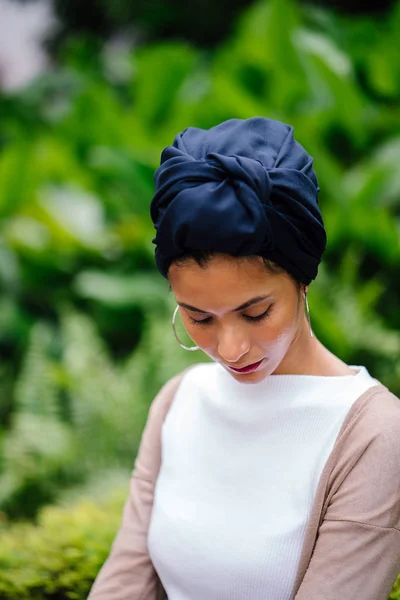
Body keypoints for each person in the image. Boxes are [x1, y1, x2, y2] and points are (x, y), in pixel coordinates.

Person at [87, 117, 400, 600]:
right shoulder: (179, 401)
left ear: (303, 279)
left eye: (255, 312)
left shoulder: (373, 435)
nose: (230, 350)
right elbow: (125, 579)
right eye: (199, 318)